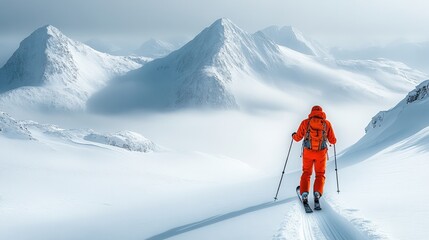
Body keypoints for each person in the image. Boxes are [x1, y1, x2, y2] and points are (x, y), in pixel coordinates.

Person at [292, 105, 336, 205]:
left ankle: (304, 194)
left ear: (311, 112)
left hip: (308, 152)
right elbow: (333, 140)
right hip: (321, 153)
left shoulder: (305, 122)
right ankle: (317, 193)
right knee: (320, 174)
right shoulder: (326, 123)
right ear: (321, 112)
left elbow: (298, 138)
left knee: (306, 173)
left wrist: (293, 135)